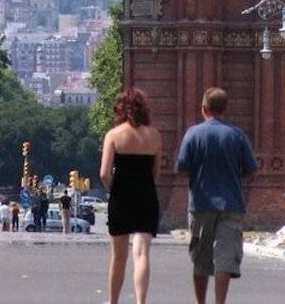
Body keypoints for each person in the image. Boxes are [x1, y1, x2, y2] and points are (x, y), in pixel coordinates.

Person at [176, 87, 258, 304]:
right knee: (225, 259)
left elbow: (182, 167)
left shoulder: (193, 134)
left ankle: (200, 302)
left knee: (201, 259)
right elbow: (251, 170)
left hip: (201, 204)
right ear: (225, 109)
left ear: (204, 108)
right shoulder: (237, 135)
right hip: (232, 204)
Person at [101, 88, 162, 304]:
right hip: (146, 196)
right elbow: (156, 173)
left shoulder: (113, 135)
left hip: (121, 197)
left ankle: (113, 301)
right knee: (142, 253)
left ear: (120, 110)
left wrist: (115, 188)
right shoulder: (154, 136)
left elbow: (104, 173)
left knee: (118, 256)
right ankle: (140, 302)